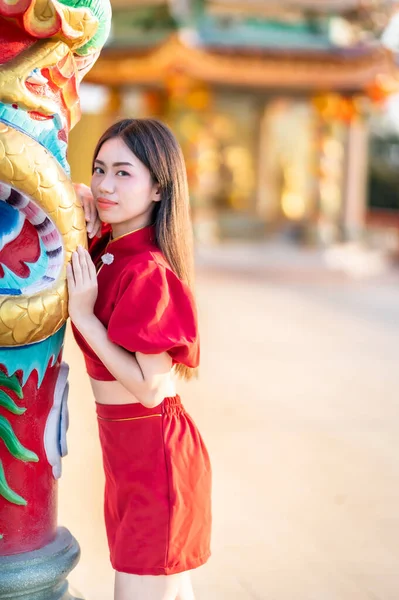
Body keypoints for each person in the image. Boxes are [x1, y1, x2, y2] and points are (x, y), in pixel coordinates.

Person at [67, 119, 212, 600]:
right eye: (100, 168)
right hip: (130, 456)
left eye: (124, 173)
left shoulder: (146, 269)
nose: (107, 184)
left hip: (155, 460)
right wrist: (85, 198)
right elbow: (67, 190)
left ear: (158, 188)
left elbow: (154, 387)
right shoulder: (112, 251)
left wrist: (86, 320)